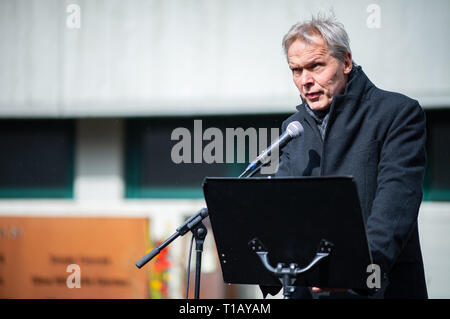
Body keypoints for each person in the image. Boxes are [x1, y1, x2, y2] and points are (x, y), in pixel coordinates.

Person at [269, 14, 428, 299]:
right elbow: (282, 207)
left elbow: (395, 205)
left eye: (315, 66)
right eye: (296, 70)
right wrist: (268, 263)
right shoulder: (293, 129)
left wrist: (359, 271)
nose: (305, 80)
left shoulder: (397, 114)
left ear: (345, 62)